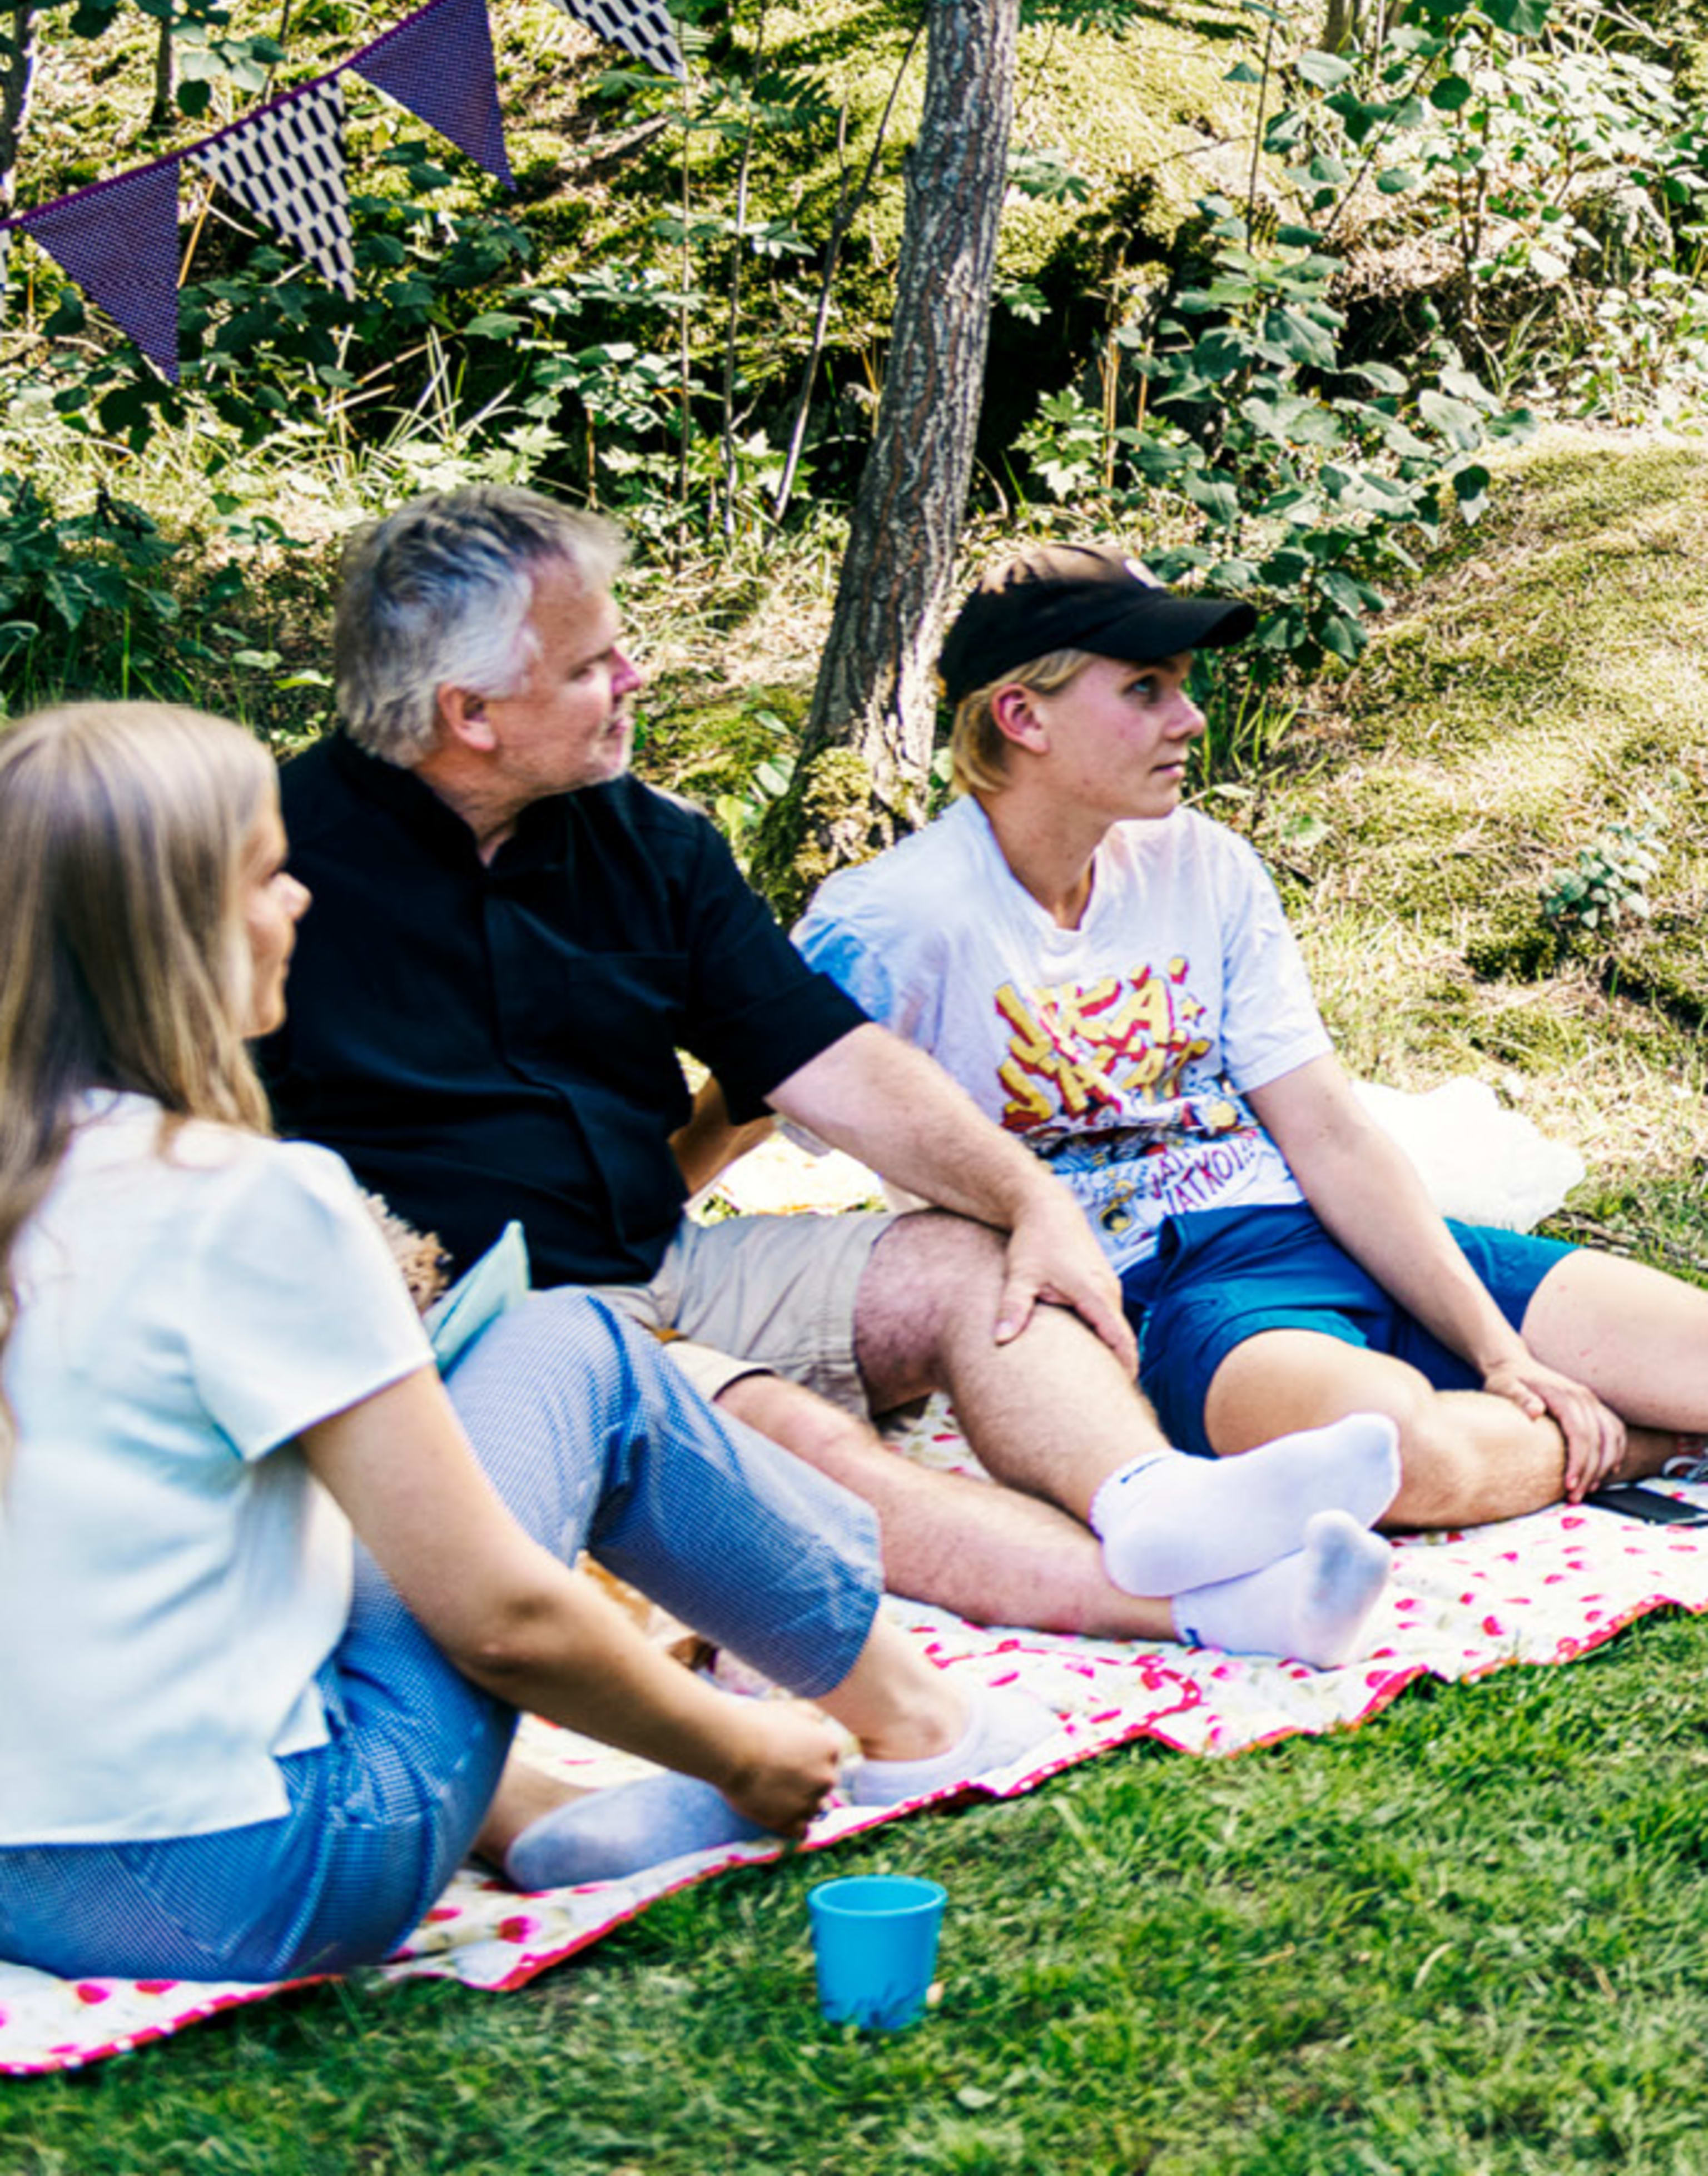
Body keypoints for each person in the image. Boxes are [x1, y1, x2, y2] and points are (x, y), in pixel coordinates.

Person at [0, 700, 1059, 1988]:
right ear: (175, 934)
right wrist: (736, 1753)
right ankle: (915, 1715)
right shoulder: (245, 1197)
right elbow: (499, 1620)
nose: (298, 904)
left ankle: (542, 1815)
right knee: (575, 1347)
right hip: (263, 1878)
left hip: (27, 1877)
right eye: (266, 876)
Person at [259, 486, 1397, 1666]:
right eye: (596, 664)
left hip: (668, 1259)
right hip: (481, 1331)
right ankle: (1211, 1609)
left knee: (973, 1255)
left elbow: (835, 1062)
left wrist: (1031, 1201)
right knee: (806, 1443)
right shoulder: (262, 866)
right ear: (471, 712)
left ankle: (1154, 1498)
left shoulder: (652, 843)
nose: (637, 678)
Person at [792, 541, 1708, 1531]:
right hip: (1169, 1295)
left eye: (1182, 688)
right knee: (1391, 1458)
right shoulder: (889, 923)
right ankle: (1648, 1446)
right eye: (1145, 690)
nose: (1189, 719)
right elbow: (766, 1097)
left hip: (1321, 1231)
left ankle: (1550, 1430)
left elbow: (1326, 1130)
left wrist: (1502, 1354)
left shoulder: (1205, 865)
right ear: (1022, 717)